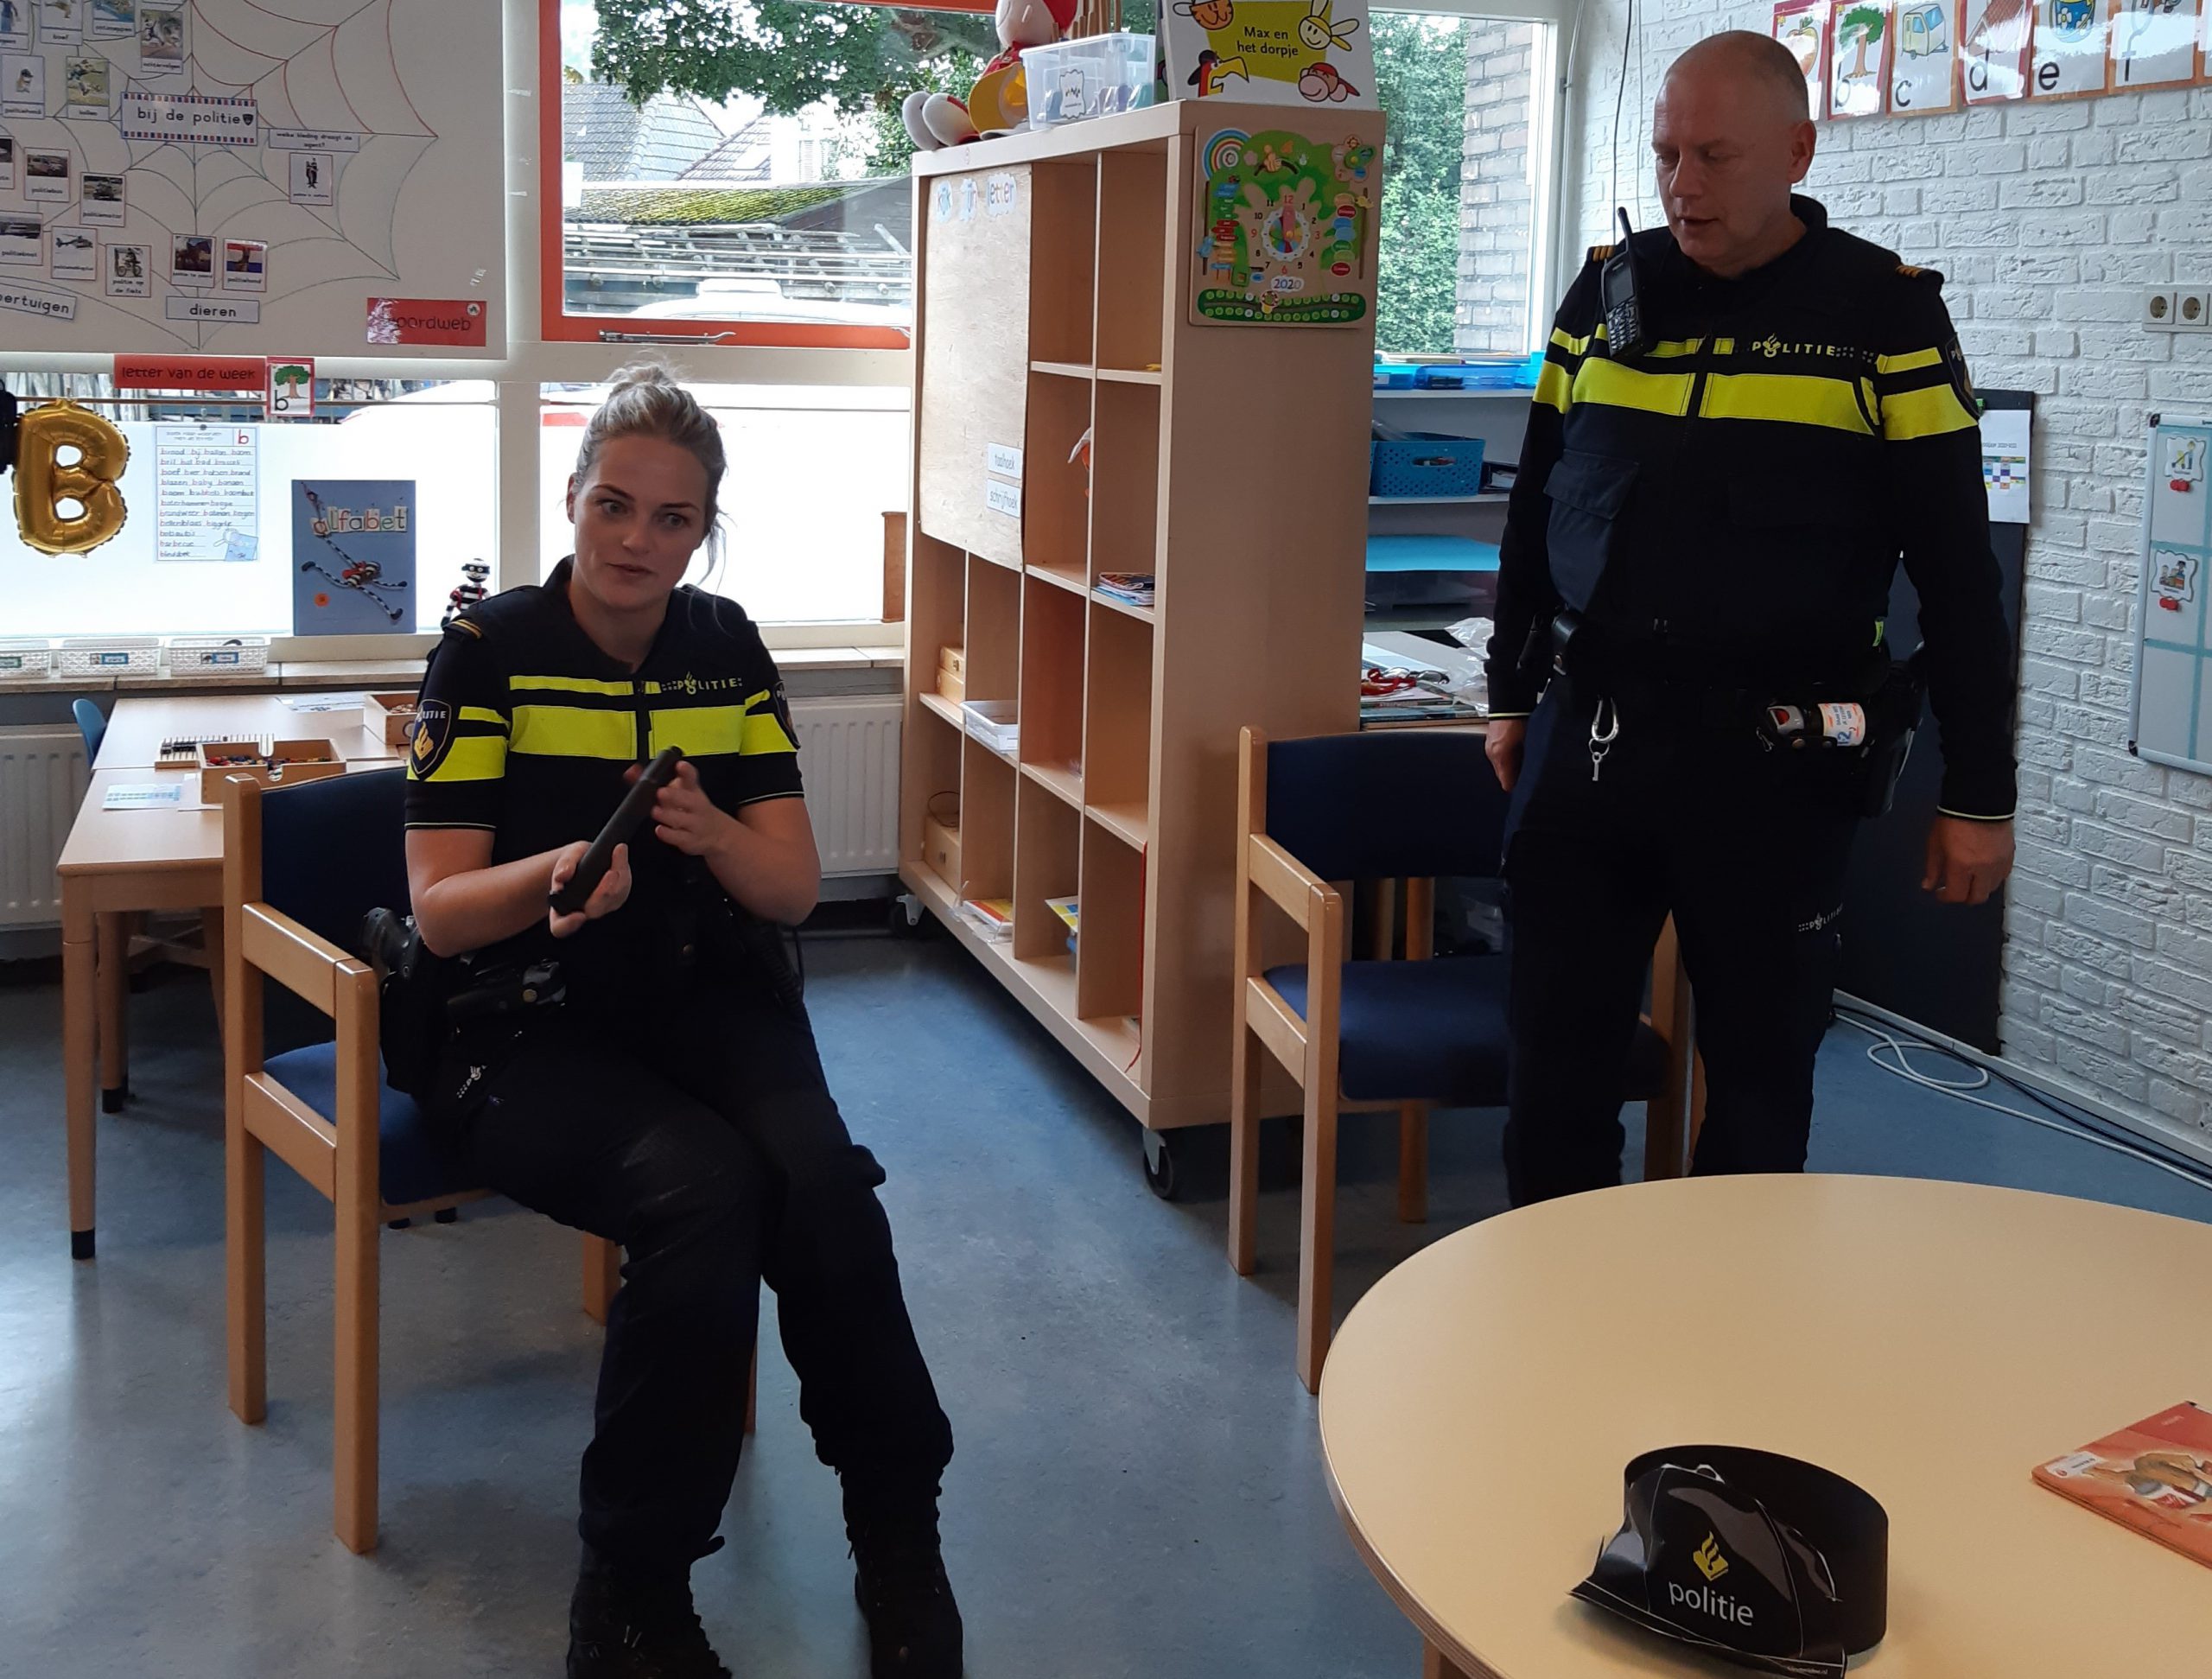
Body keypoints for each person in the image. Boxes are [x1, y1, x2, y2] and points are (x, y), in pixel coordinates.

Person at [404, 365, 960, 1678]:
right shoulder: (486, 653)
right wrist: (550, 879)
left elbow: (793, 889)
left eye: (673, 518)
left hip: (703, 995)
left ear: (705, 530)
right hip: (520, 1022)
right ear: (574, 498)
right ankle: (631, 1594)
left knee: (823, 1188)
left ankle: (896, 1530)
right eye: (615, 505)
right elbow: (437, 912)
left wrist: (712, 834)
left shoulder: (725, 646)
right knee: (703, 1192)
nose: (637, 541)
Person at [1484, 32, 2017, 1206]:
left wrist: (1979, 796)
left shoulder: (1884, 317)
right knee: (1554, 1076)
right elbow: (1535, 511)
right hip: (1593, 742)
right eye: (1666, 154)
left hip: (1774, 767)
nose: (1683, 184)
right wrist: (1509, 696)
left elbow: (1958, 579)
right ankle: (1554, 1306)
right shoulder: (1606, 296)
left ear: (1797, 152)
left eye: (1714, 156)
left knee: (1760, 1090)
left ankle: (1733, 1314)